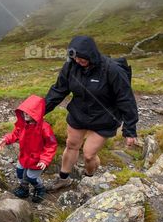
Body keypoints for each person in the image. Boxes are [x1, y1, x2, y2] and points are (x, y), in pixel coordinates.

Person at [44, 35, 138, 180]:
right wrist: (40, 111)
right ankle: (63, 179)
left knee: (88, 154)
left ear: (91, 54)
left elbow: (126, 99)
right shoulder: (71, 66)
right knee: (71, 145)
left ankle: (89, 177)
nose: (77, 60)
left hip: (104, 118)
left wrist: (130, 129)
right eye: (75, 57)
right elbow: (58, 90)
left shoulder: (112, 70)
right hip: (79, 114)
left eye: (81, 57)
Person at [0, 94, 58, 203]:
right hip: (24, 156)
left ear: (37, 113)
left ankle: (40, 188)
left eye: (29, 112)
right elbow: (15, 134)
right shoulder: (23, 124)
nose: (25, 114)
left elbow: (51, 144)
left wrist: (45, 159)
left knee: (31, 177)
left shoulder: (44, 128)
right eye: (24, 111)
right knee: (20, 172)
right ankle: (24, 188)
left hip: (37, 160)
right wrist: (6, 139)